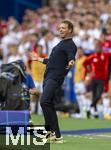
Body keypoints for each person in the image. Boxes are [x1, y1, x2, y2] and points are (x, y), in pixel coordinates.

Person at [30, 20, 77, 143]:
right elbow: (52, 61)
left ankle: (51, 132)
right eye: (60, 28)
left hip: (54, 78)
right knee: (48, 103)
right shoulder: (60, 44)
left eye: (63, 28)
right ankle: (56, 136)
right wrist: (38, 59)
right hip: (48, 77)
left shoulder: (70, 44)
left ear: (70, 30)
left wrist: (71, 61)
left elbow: (71, 55)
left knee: (44, 101)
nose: (60, 29)